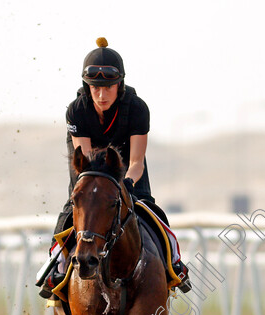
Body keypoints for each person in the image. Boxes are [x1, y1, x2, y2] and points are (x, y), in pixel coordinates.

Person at [38, 37, 190, 299]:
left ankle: (174, 263)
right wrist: (98, 185)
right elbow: (84, 157)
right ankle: (57, 268)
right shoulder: (76, 110)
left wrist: (126, 184)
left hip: (127, 170)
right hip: (88, 167)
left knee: (152, 211)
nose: (101, 94)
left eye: (108, 87)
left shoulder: (138, 108)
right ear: (87, 86)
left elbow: (137, 161)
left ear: (119, 84)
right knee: (72, 210)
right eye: (95, 87)